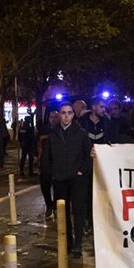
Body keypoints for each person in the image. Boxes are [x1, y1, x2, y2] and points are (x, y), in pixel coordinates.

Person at [42, 102, 90, 258]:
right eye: (63, 113)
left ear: (73, 114)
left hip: (77, 179)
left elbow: (88, 155)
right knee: (63, 212)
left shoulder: (81, 133)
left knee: (78, 211)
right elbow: (46, 158)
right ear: (59, 115)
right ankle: (68, 242)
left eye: (69, 112)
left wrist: (81, 171)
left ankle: (78, 244)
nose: (66, 115)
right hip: (60, 179)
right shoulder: (53, 134)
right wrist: (52, 174)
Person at [38, 110, 58, 219]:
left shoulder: (60, 129)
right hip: (45, 164)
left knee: (57, 188)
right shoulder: (44, 129)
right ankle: (49, 205)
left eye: (56, 117)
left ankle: (55, 207)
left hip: (56, 164)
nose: (53, 119)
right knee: (45, 187)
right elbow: (38, 145)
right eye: (52, 117)